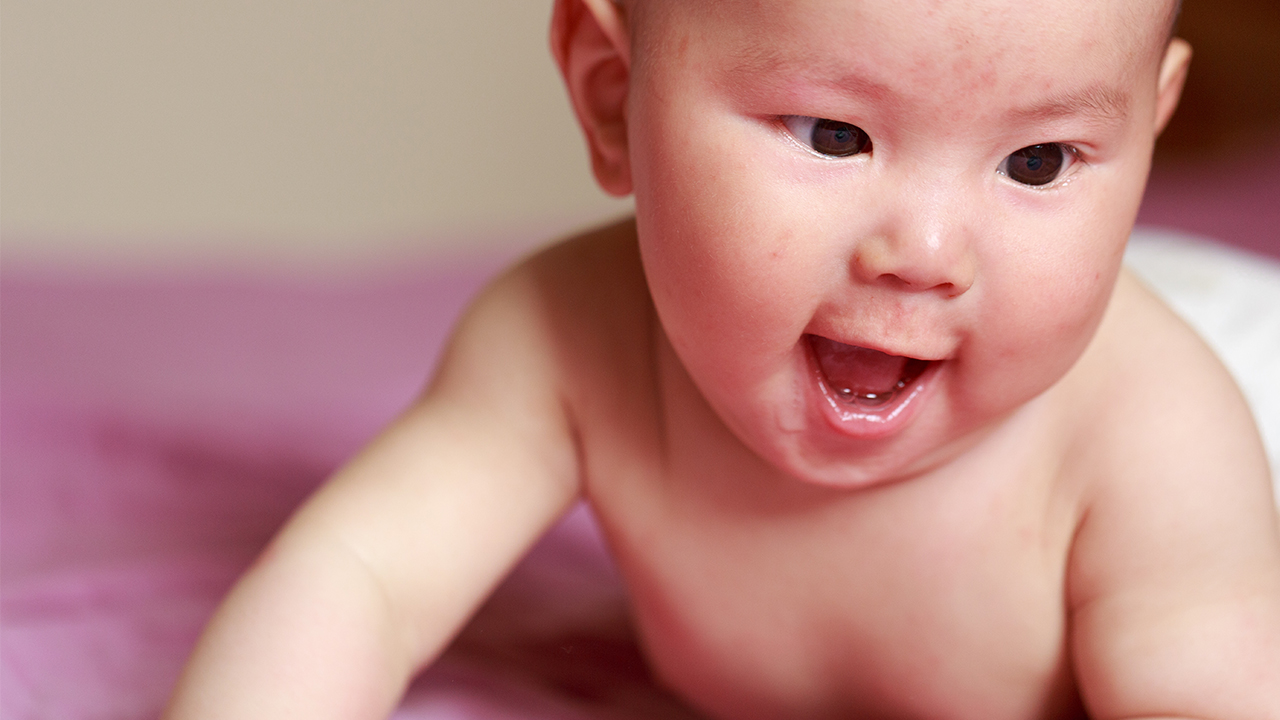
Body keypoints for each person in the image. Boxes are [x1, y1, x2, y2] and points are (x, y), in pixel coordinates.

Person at [164, 0, 1280, 717]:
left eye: (1037, 161)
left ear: (1146, 127)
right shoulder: (567, 340)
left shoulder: (1153, 437)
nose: (926, 255)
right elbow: (359, 581)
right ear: (613, 98)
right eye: (835, 136)